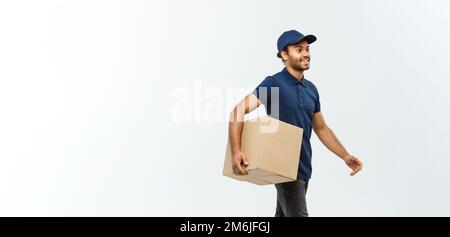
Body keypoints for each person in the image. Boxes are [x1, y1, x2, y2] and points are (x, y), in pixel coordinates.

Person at [228, 30, 363, 217]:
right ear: (284, 55)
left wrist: (345, 156)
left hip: (304, 166)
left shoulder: (311, 89)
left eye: (307, 49)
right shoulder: (273, 83)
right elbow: (237, 111)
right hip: (283, 166)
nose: (306, 54)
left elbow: (321, 128)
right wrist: (236, 151)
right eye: (299, 49)